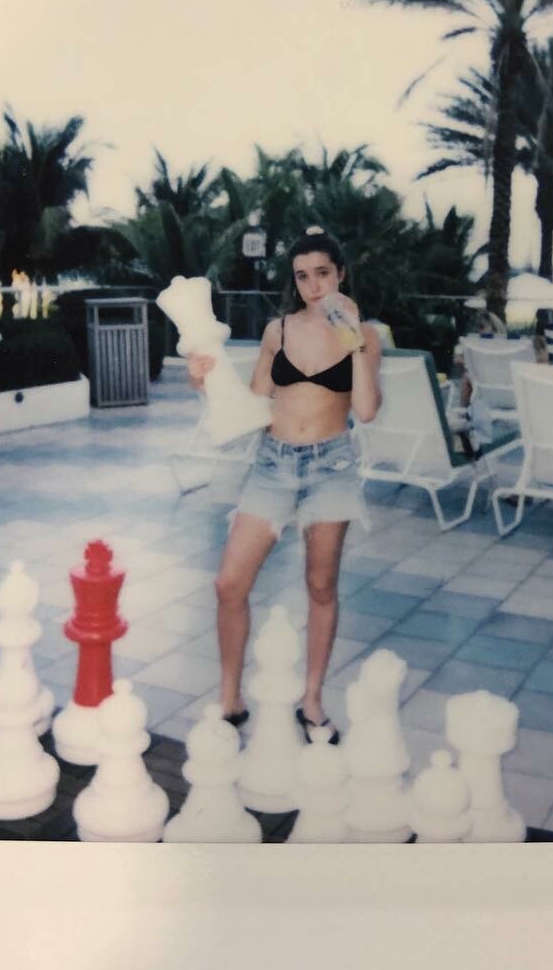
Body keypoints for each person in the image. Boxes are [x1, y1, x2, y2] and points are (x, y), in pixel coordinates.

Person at [186, 226, 382, 744]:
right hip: (273, 466)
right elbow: (252, 405)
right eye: (302, 277)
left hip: (331, 468)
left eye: (322, 274)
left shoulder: (366, 334)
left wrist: (353, 340)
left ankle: (311, 700)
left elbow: (366, 409)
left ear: (341, 274)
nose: (314, 287)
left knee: (320, 586)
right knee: (229, 583)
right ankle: (230, 697)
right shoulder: (278, 330)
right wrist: (204, 382)